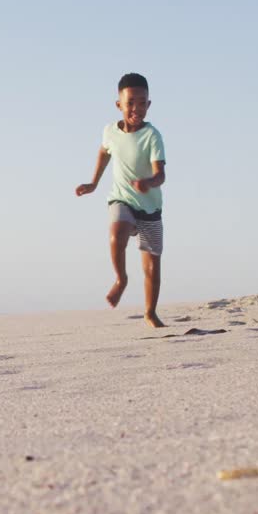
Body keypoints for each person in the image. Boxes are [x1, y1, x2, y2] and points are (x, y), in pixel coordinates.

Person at [76, 72, 167, 327]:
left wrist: (148, 182)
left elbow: (161, 175)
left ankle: (150, 312)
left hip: (150, 206)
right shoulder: (110, 132)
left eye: (142, 103)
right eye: (130, 103)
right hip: (122, 198)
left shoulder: (153, 136)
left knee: (152, 267)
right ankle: (121, 279)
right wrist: (93, 182)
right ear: (119, 105)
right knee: (117, 233)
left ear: (149, 104)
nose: (136, 108)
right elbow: (104, 153)